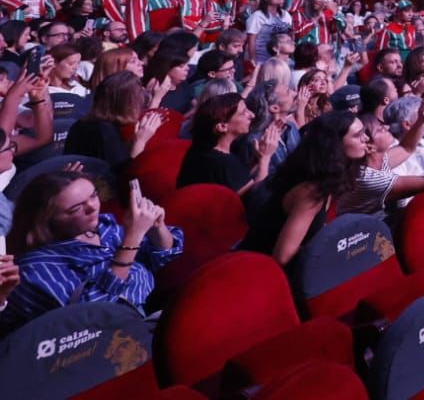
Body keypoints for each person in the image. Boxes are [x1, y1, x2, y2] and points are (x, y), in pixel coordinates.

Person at [0, 172, 182, 332]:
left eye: (93, 195)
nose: (92, 207)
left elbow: (165, 256)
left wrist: (157, 228)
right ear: (46, 220)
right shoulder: (36, 268)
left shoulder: (103, 226)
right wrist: (132, 236)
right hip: (102, 340)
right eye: (76, 208)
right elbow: (92, 317)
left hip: (150, 306)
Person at [242, 111, 368, 266]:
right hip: (257, 268)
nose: (366, 139)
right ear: (335, 145)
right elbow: (282, 256)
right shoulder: (310, 190)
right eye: (358, 135)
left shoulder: (323, 176)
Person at [178, 91, 275, 194]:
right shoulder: (224, 163)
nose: (252, 115)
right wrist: (265, 158)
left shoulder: (199, 150)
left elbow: (239, 179)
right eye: (243, 113)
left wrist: (257, 159)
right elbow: (256, 200)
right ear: (222, 126)